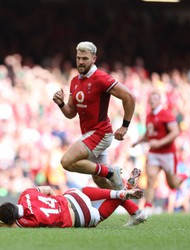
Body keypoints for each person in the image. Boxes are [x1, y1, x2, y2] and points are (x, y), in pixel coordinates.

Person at [52, 41, 146, 226]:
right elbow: (71, 113)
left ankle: (110, 171)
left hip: (100, 133)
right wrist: (61, 103)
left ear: (94, 59)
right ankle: (136, 212)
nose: (81, 62)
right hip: (90, 134)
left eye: (85, 58)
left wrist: (125, 126)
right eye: (78, 58)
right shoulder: (75, 80)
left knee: (67, 161)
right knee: (104, 184)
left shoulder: (101, 78)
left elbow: (129, 97)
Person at [0, 183, 144, 228]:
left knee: (97, 217)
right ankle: (120, 191)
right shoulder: (26, 194)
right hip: (73, 199)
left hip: (80, 217)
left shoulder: (27, 221)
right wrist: (57, 200)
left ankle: (121, 193)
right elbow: (47, 189)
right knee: (80, 191)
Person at [132, 91, 189, 214]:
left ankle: (183, 177)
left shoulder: (166, 114)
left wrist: (159, 142)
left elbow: (175, 132)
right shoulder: (149, 116)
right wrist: (137, 142)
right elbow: (149, 134)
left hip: (168, 153)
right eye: (150, 99)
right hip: (154, 153)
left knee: (172, 184)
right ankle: (148, 207)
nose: (152, 101)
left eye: (154, 98)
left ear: (159, 101)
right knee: (151, 178)